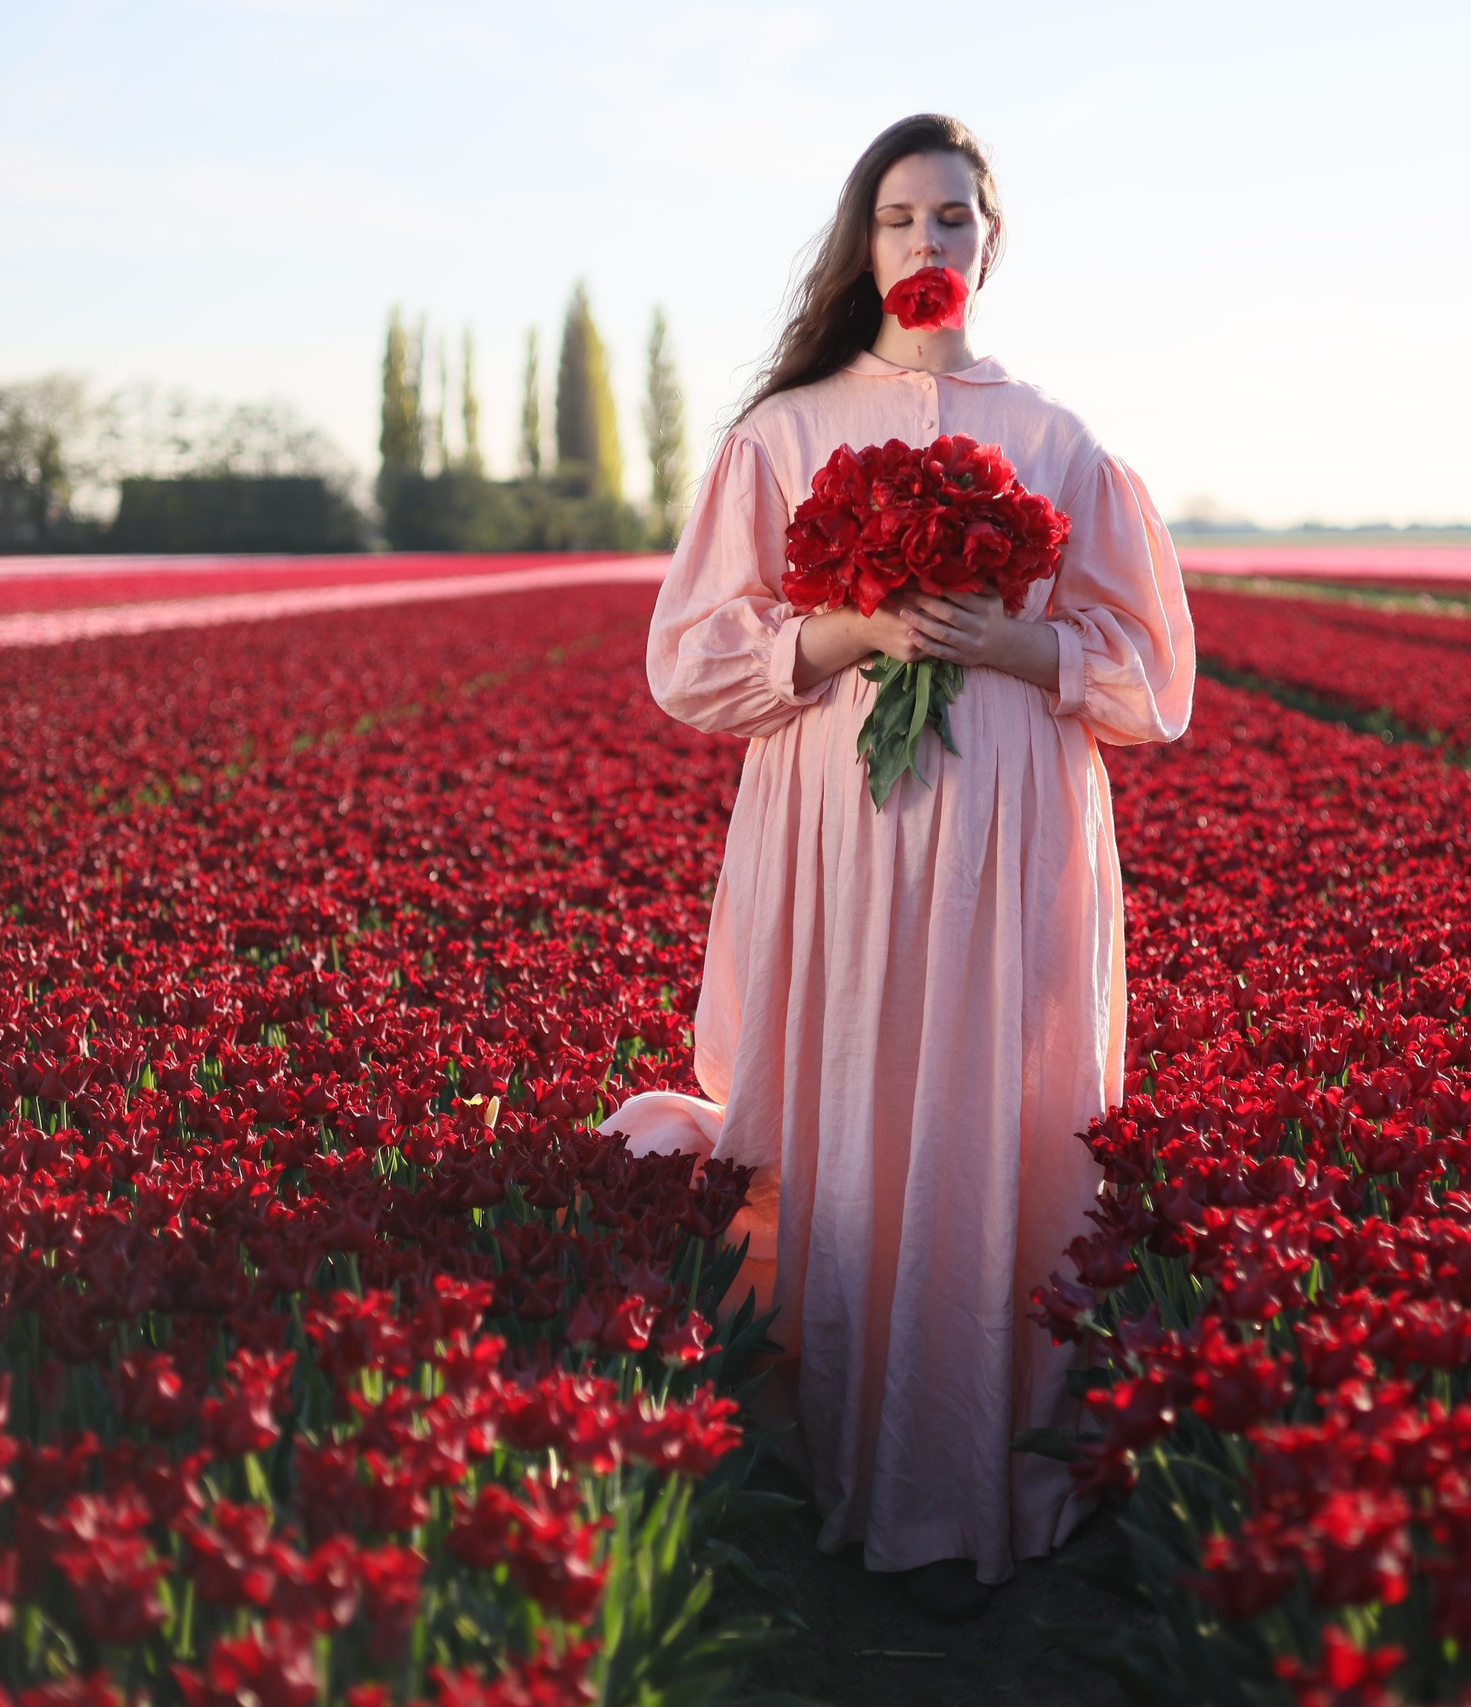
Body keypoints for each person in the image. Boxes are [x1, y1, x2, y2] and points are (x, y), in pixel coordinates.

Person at [600, 112, 1194, 1620]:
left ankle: (988, 1467)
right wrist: (847, 632)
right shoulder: (784, 432)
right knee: (851, 1104)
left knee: (997, 1118)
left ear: (993, 243)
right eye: (899, 218)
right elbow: (688, 660)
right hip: (837, 835)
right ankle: (836, 1463)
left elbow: (1150, 683)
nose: (928, 245)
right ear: (862, 244)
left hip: (1012, 828)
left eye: (953, 218)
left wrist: (1022, 644)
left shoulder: (1060, 437)